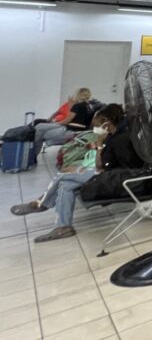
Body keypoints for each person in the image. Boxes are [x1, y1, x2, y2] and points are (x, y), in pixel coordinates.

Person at [11, 104, 130, 242]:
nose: (94, 130)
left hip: (113, 176)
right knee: (66, 185)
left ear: (106, 125)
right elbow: (101, 162)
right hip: (105, 171)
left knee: (64, 176)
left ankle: (41, 203)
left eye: (97, 126)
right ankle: (64, 227)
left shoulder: (118, 139)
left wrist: (97, 147)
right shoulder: (111, 137)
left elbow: (106, 165)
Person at [33, 87, 93, 156]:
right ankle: (33, 156)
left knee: (39, 130)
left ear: (78, 95)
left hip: (70, 130)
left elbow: (66, 121)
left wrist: (55, 123)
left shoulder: (77, 106)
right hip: (79, 131)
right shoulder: (90, 107)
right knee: (39, 128)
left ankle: (32, 157)